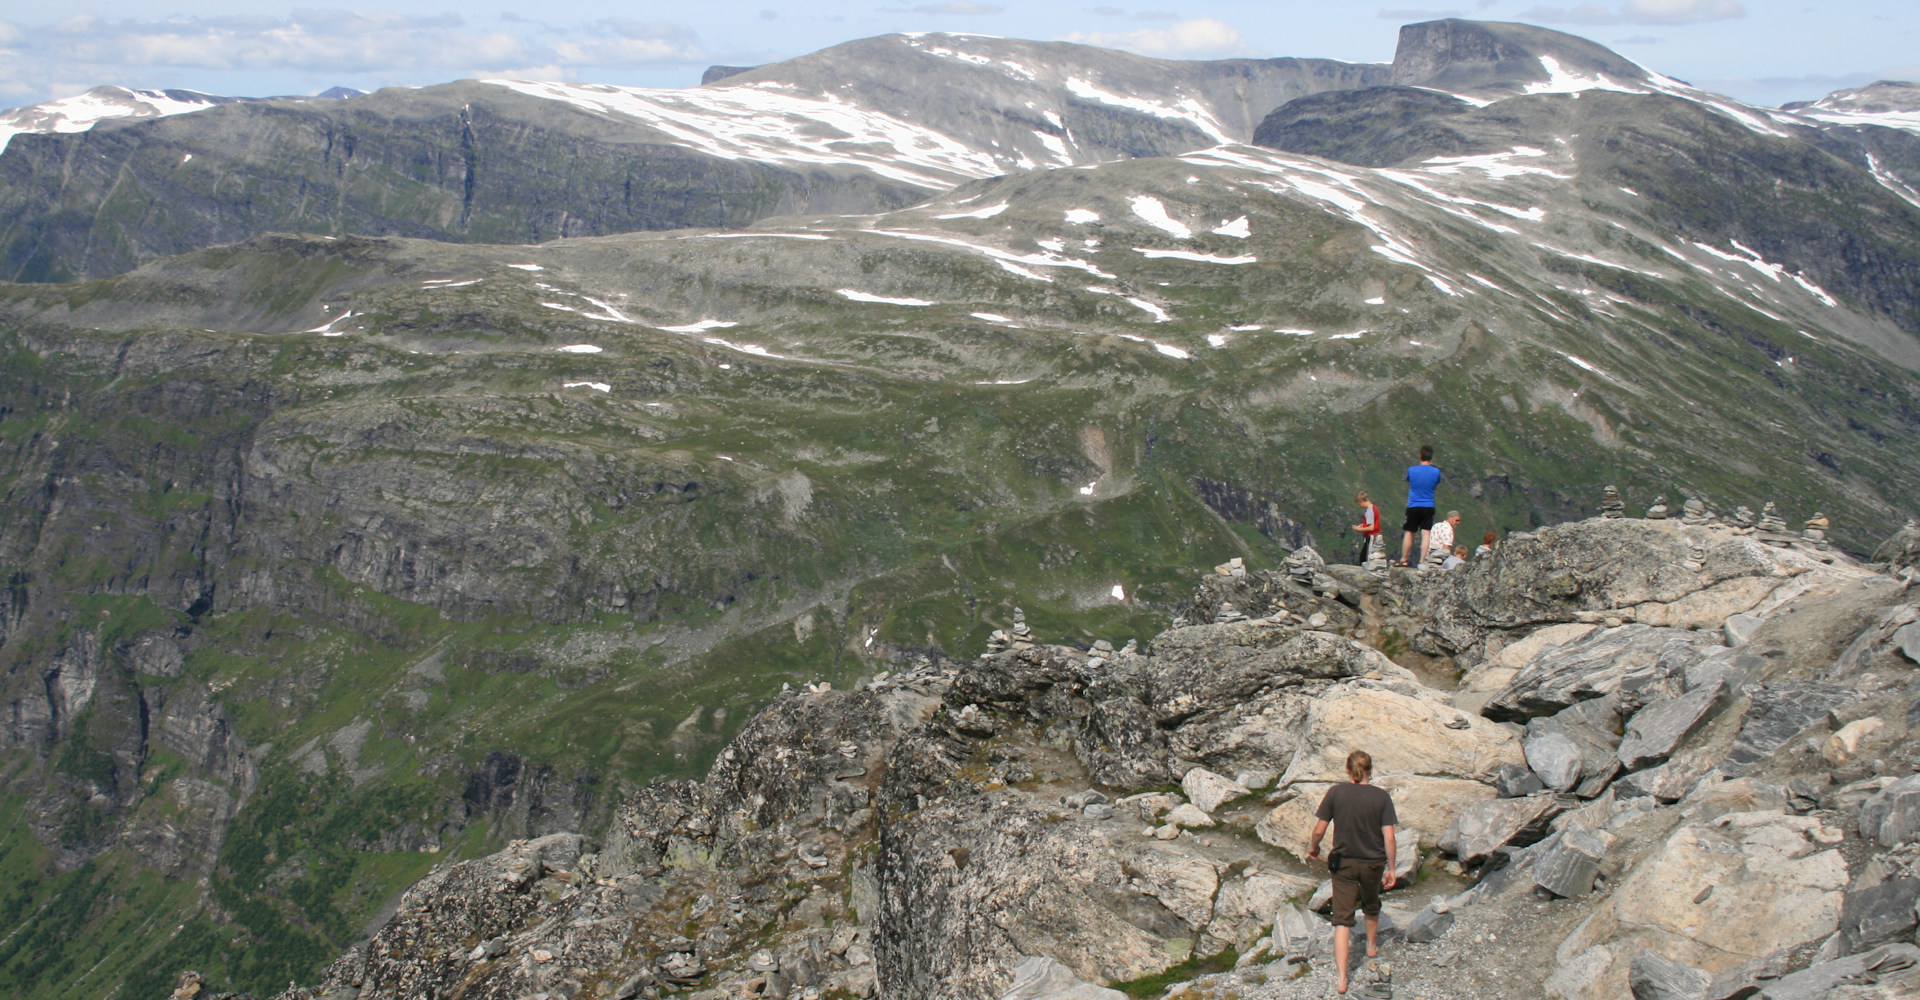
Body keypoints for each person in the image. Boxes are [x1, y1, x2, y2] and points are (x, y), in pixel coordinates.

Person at [1306, 750, 1399, 995]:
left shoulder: (1336, 793)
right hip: (1373, 862)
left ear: (1348, 770)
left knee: (1342, 919)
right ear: (1371, 770)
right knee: (1371, 904)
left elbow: (1319, 829)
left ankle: (1341, 978)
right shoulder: (1382, 797)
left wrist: (1314, 848)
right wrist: (1393, 868)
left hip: (1343, 862)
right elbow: (1389, 837)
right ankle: (1370, 946)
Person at [1398, 446, 1441, 567]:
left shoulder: (1412, 470)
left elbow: (1409, 482)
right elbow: (1435, 485)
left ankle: (1404, 558)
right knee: (1426, 533)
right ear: (1431, 457)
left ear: (1420, 456)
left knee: (1409, 532)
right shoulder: (1436, 472)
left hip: (1414, 505)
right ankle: (1422, 560)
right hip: (1428, 505)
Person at [1351, 492, 1383, 565]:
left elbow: (1371, 527)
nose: (1360, 506)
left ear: (1361, 501)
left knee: (1365, 558)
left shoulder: (1370, 511)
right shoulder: (1374, 508)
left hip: (1372, 536)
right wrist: (1363, 525)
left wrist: (1359, 529)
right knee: (1364, 557)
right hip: (1374, 536)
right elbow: (1371, 522)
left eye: (1359, 504)